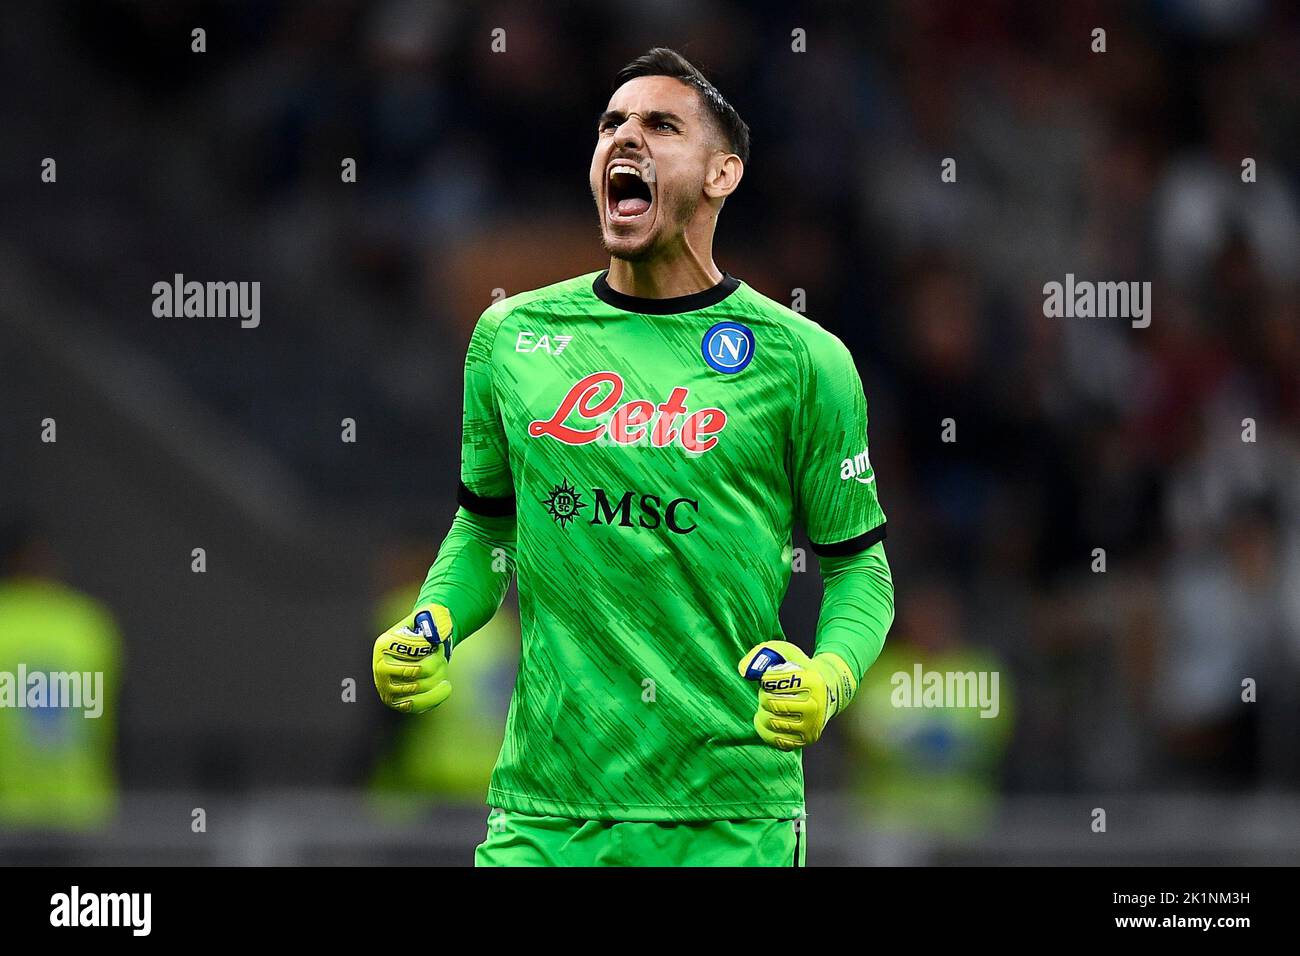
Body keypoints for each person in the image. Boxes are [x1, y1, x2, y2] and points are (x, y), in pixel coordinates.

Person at [371, 48, 895, 866]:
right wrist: (432, 622)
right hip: (546, 812)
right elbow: (485, 533)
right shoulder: (511, 340)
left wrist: (827, 678)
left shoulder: (802, 361)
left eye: (660, 124)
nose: (625, 138)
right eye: (611, 123)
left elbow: (861, 572)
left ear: (722, 174)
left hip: (727, 815)